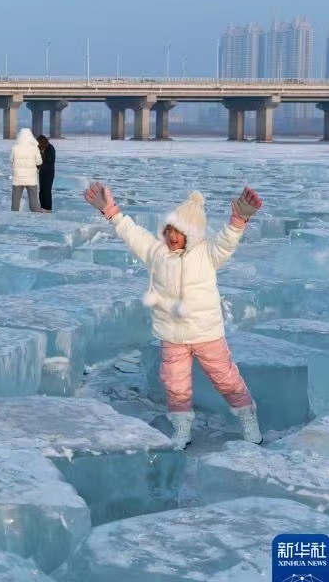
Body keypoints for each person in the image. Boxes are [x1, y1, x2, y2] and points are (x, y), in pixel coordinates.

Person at [83, 182, 264, 449]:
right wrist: (111, 211)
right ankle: (182, 429)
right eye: (169, 231)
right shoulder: (157, 253)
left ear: (192, 234)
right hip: (172, 335)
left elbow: (226, 241)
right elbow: (133, 234)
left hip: (206, 333)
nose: (172, 237)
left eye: (179, 232)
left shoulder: (207, 254)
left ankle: (248, 419)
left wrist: (239, 219)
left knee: (226, 379)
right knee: (175, 384)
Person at [10, 128, 42, 212]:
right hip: (31, 178)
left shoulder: (15, 148)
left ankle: (13, 217)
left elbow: (10, 160)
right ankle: (35, 217)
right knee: (34, 202)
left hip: (18, 178)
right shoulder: (34, 148)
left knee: (15, 203)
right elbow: (39, 162)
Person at [36, 134, 56, 212]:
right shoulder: (41, 148)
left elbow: (49, 163)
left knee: (47, 191)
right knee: (41, 191)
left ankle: (48, 209)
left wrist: (38, 166)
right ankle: (42, 207)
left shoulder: (50, 149)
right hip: (42, 172)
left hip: (49, 173)